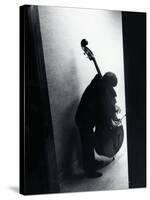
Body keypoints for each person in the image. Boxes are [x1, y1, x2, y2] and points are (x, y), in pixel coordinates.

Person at [75, 72, 120, 178]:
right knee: (88, 145)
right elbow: (103, 108)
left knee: (89, 142)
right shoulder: (97, 89)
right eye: (110, 86)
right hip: (84, 119)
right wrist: (110, 112)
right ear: (107, 83)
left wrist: (113, 106)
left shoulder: (100, 83)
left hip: (89, 118)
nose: (110, 89)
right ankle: (89, 170)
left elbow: (107, 101)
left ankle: (92, 162)